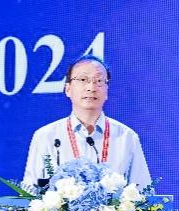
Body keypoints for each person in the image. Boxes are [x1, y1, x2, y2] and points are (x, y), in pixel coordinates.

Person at [23, 55, 152, 190]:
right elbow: (30, 192)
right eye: (83, 79)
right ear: (68, 89)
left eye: (99, 81)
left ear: (106, 91)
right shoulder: (46, 136)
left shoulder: (126, 137)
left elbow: (143, 191)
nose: (91, 87)